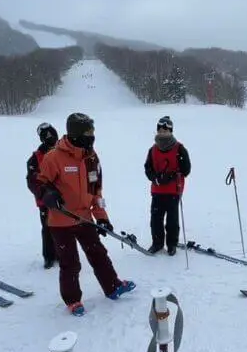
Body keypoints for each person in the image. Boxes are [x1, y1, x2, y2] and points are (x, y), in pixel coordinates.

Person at [37, 112, 135, 316]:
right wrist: (48, 194)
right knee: (70, 263)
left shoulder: (91, 157)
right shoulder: (54, 157)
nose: (92, 136)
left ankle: (113, 286)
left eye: (93, 131)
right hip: (61, 220)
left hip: (84, 218)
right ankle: (73, 300)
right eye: (88, 132)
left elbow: (96, 191)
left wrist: (102, 217)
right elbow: (40, 182)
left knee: (99, 253)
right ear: (76, 133)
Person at [143, 115, 191, 255]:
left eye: (166, 131)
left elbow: (186, 169)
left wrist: (172, 175)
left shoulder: (179, 149)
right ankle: (157, 243)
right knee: (155, 219)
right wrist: (155, 178)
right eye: (160, 131)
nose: (163, 133)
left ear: (171, 131)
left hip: (173, 190)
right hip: (157, 190)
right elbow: (148, 168)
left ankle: (172, 244)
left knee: (172, 220)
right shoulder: (152, 150)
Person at [26, 122, 59, 269]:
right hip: (46, 200)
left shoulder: (63, 150)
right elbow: (32, 180)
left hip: (64, 197)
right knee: (47, 227)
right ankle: (49, 256)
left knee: (64, 228)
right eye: (46, 135)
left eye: (52, 134)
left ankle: (62, 253)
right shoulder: (36, 157)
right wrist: (44, 193)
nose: (50, 137)